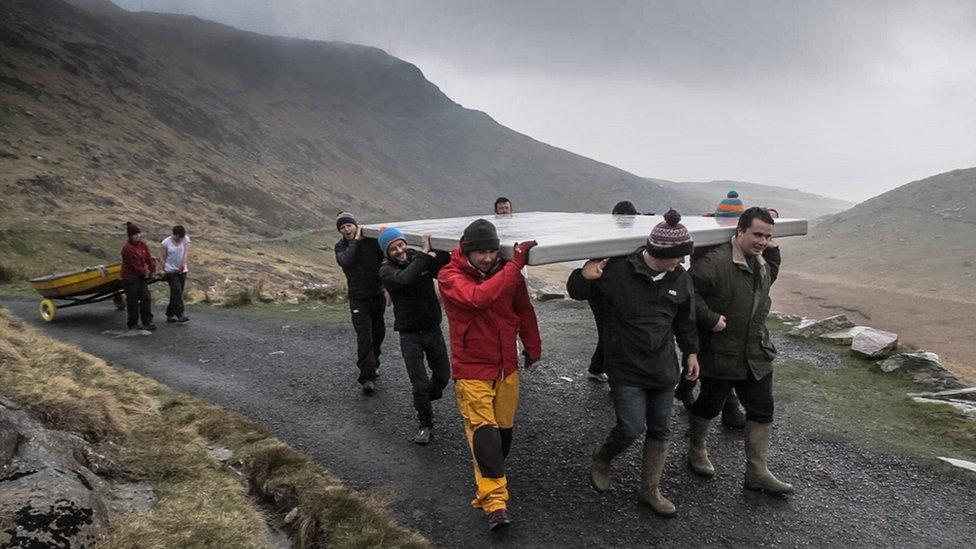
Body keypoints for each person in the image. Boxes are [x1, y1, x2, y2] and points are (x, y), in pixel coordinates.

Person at [567, 209, 699, 517]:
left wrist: (691, 352)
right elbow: (577, 291)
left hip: (663, 368)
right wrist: (583, 275)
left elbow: (685, 320)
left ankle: (650, 490)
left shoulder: (679, 278)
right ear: (660, 252)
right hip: (625, 366)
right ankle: (602, 458)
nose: (681, 263)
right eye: (678, 257)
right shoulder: (618, 271)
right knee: (630, 427)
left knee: (661, 429)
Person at [437, 218, 541, 531]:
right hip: (471, 369)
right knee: (484, 433)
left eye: (492, 250)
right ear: (465, 250)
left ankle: (491, 472)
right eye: (480, 251)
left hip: (506, 366)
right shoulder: (449, 275)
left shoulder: (506, 274)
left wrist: (533, 349)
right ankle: (496, 503)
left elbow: (524, 311)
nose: (487, 257)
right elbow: (479, 297)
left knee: (502, 434)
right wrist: (515, 265)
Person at [686, 207, 793, 494]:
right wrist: (709, 319)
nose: (762, 240)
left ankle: (756, 472)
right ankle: (696, 449)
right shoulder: (714, 262)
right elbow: (687, 292)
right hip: (721, 351)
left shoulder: (761, 261)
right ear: (740, 231)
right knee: (710, 404)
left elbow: (770, 276)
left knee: (762, 409)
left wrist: (773, 248)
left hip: (756, 351)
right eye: (757, 234)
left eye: (768, 236)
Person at [377, 228, 451, 445]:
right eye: (393, 248)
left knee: (443, 377)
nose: (399, 251)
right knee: (419, 384)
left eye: (401, 245)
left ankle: (426, 397)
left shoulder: (419, 258)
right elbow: (406, 279)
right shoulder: (386, 271)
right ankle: (425, 423)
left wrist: (439, 249)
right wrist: (426, 255)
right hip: (409, 336)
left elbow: (442, 268)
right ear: (387, 251)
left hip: (432, 329)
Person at [586, 200, 641, 383]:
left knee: (610, 333)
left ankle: (598, 368)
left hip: (610, 291)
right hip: (602, 292)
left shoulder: (611, 235)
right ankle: (614, 377)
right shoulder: (611, 237)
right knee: (610, 333)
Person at [334, 211, 386, 395]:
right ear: (340, 231)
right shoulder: (340, 247)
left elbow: (385, 256)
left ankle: (375, 362)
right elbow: (346, 261)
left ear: (355, 225)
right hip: (358, 298)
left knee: (379, 332)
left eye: (349, 225)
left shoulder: (371, 241)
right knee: (364, 336)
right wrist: (356, 240)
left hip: (377, 294)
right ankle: (367, 377)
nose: (346, 229)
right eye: (343, 227)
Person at [120, 222, 157, 331]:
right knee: (133, 300)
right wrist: (145, 273)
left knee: (146, 298)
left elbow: (148, 259)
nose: (138, 236)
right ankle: (133, 323)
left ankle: (147, 321)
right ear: (130, 236)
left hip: (141, 277)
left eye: (139, 234)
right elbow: (134, 265)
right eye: (135, 235)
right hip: (130, 277)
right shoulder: (127, 249)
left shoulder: (142, 245)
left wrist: (152, 270)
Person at [160, 225, 191, 323]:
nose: (179, 239)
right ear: (174, 234)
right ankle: (180, 314)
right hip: (170, 271)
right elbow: (162, 257)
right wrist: (164, 269)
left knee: (177, 293)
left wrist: (183, 264)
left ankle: (169, 314)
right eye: (178, 237)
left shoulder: (185, 239)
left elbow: (186, 253)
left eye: (181, 237)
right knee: (176, 290)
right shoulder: (166, 242)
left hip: (182, 271)